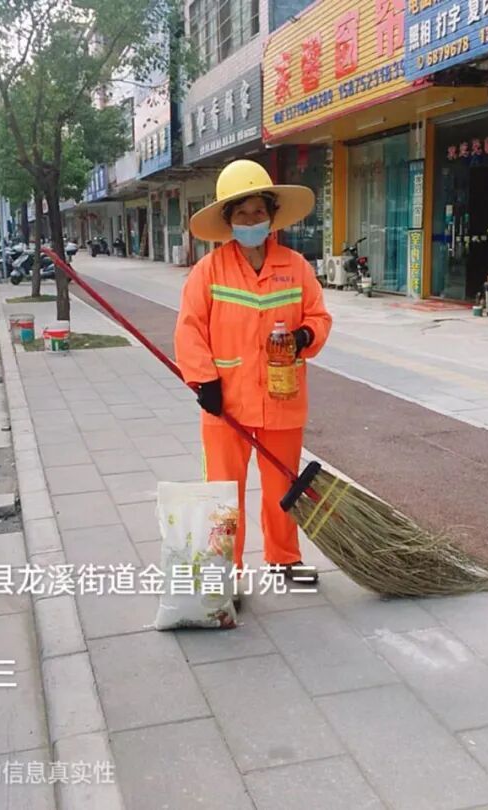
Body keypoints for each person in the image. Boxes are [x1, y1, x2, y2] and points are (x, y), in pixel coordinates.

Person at [174, 159, 332, 592]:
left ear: (271, 215)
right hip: (226, 402)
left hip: (283, 396)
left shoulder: (296, 267)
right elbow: (189, 329)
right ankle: (228, 572)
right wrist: (203, 381)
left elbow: (319, 317)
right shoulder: (209, 270)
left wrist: (304, 335)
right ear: (228, 220)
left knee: (283, 483)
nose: (250, 221)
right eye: (241, 213)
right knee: (225, 492)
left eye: (257, 212)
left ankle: (284, 558)